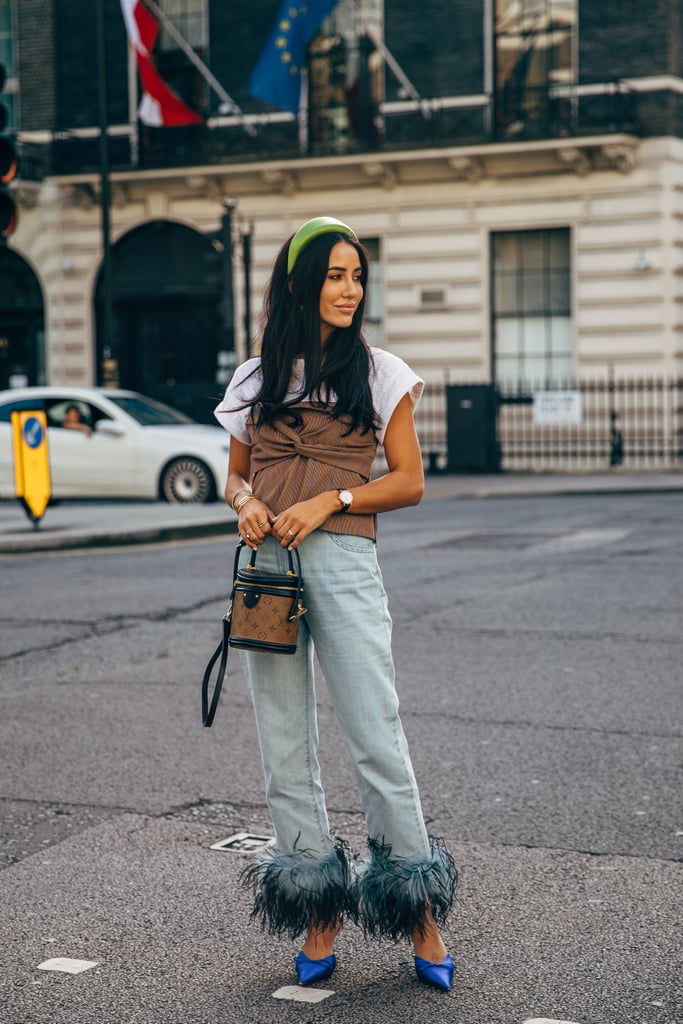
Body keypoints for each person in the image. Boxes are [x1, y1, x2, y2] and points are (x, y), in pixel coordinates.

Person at [214, 216, 457, 990]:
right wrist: (246, 503)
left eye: (357, 276)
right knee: (283, 747)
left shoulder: (380, 371)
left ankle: (418, 910)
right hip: (266, 568)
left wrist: (330, 500)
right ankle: (318, 906)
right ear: (298, 283)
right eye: (333, 275)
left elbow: (409, 480)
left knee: (374, 736)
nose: (349, 289)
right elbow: (233, 477)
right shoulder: (255, 378)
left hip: (346, 559)